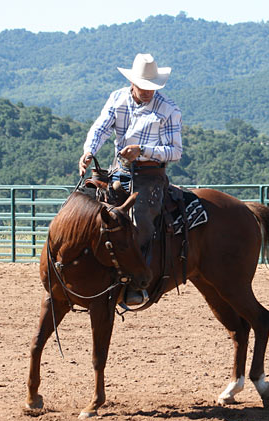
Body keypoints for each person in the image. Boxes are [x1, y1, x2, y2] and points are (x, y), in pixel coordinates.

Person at [79, 53, 182, 305]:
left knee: (140, 220)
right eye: (144, 86)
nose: (148, 92)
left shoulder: (168, 110)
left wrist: (143, 150)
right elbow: (101, 127)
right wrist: (89, 151)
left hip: (150, 176)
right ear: (132, 83)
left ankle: (138, 283)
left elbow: (175, 151)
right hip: (119, 170)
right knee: (85, 205)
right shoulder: (117, 99)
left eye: (152, 87)